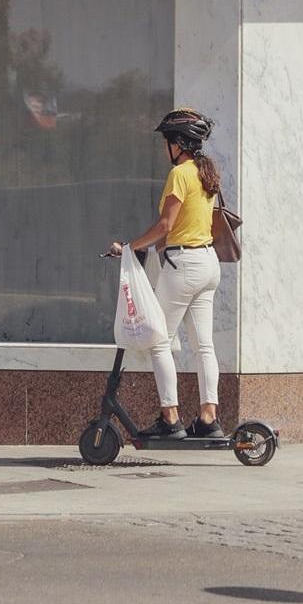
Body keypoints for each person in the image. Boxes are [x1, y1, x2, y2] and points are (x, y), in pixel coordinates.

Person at [108, 108, 224, 439]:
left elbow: (166, 225)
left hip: (183, 266)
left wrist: (130, 246)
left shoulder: (180, 174)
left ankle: (170, 418)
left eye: (167, 142)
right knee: (204, 347)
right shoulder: (207, 173)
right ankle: (207, 418)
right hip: (208, 263)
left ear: (178, 143)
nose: (165, 148)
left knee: (158, 340)